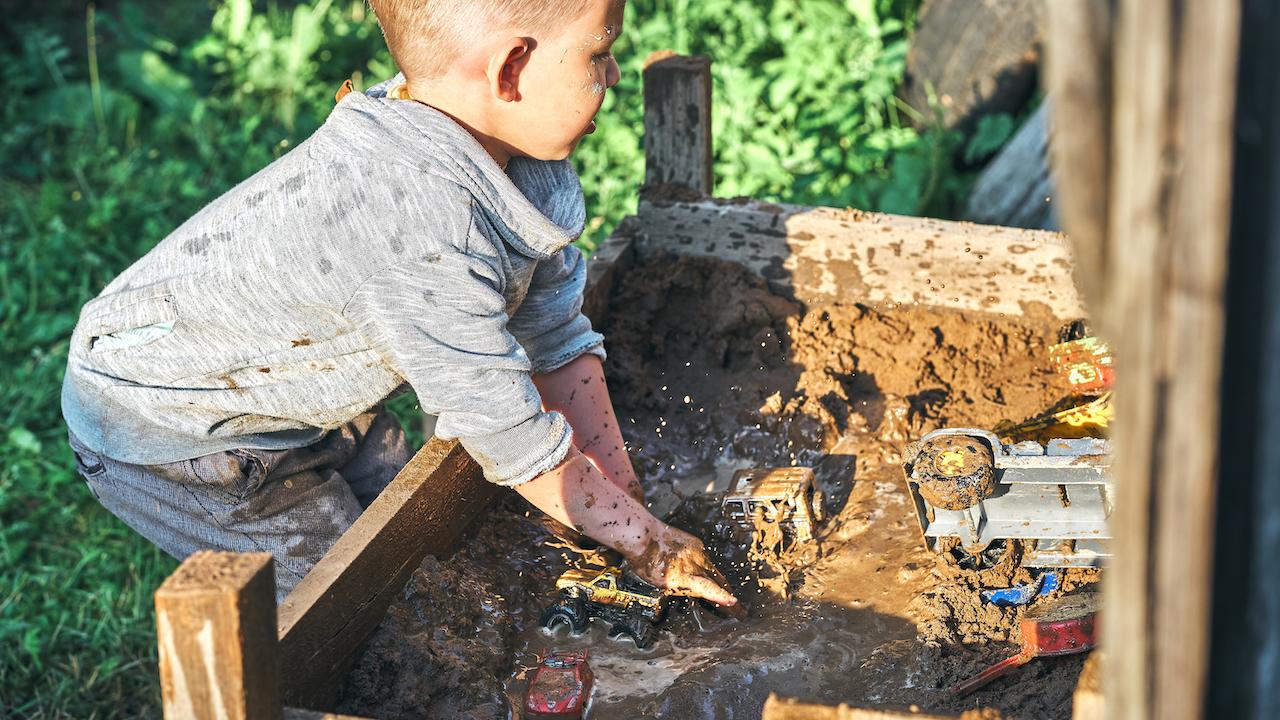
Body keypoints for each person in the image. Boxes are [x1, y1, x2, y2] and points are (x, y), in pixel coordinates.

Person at [60, 0, 738, 611]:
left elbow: (553, 339)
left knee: (408, 538)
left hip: (287, 383)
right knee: (352, 606)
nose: (614, 73)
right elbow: (511, 436)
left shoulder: (506, 158)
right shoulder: (422, 236)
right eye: (599, 51)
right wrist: (650, 547)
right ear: (511, 71)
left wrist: (624, 496)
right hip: (170, 425)